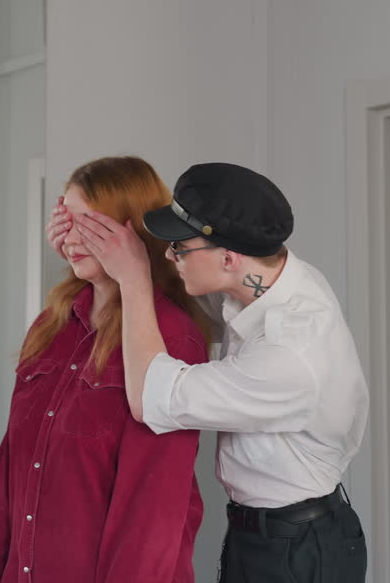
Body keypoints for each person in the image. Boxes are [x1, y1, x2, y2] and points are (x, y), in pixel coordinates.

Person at [52, 161, 370, 583]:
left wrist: (132, 279)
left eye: (179, 248)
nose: (168, 255)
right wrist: (83, 245)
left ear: (228, 258)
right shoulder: (270, 278)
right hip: (265, 533)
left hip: (297, 551)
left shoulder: (290, 356)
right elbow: (193, 297)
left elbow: (150, 396)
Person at [0, 156, 211, 583]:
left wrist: (132, 276)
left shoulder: (172, 337)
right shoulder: (51, 327)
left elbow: (151, 509)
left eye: (90, 225)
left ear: (131, 231)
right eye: (67, 220)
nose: (70, 238)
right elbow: (9, 470)